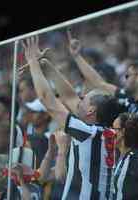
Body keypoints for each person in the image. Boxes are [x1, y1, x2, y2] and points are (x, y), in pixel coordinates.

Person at [22, 36, 125, 199]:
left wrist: (33, 63)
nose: (79, 98)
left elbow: (47, 99)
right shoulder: (99, 132)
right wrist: (45, 65)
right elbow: (69, 96)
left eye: (83, 98)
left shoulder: (88, 132)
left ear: (91, 110)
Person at [66, 30, 138, 174]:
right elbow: (100, 83)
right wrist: (77, 56)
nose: (124, 79)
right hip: (133, 172)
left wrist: (130, 144)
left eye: (128, 75)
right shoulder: (129, 101)